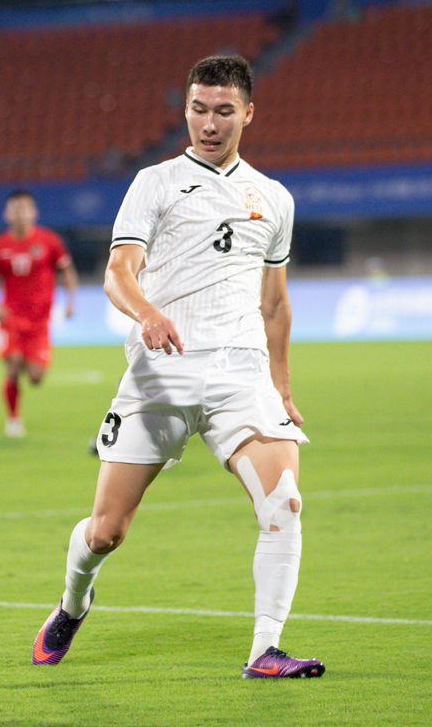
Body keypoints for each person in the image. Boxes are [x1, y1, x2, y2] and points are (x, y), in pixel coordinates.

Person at [30, 55, 323, 680]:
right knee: (107, 530)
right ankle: (73, 603)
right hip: (161, 372)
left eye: (222, 111)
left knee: (285, 504)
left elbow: (275, 304)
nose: (209, 124)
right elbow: (118, 273)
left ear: (248, 113)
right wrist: (148, 315)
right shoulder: (155, 183)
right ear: (185, 110)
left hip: (242, 373)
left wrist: (283, 387)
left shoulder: (273, 199)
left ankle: (265, 651)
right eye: (198, 109)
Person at [0, 191, 77, 438]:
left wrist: (70, 301)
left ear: (34, 212)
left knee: (35, 377)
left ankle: (24, 359)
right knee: (11, 367)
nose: (21, 214)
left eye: (25, 208)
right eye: (16, 209)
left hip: (40, 320)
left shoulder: (49, 241)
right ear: (7, 214)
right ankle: (13, 419)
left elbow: (68, 271)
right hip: (11, 317)